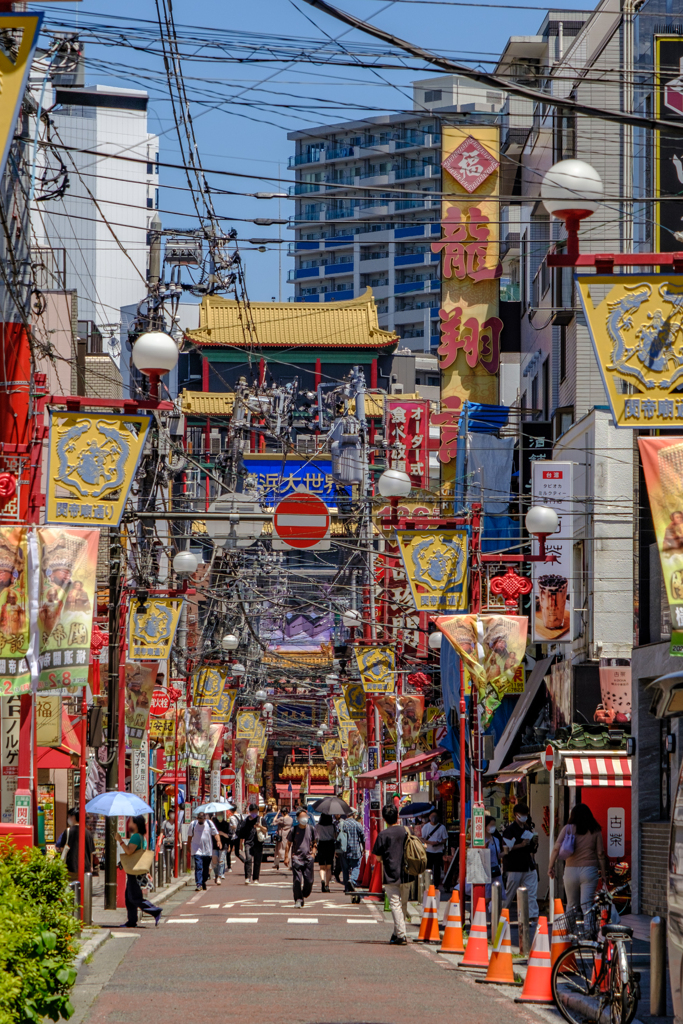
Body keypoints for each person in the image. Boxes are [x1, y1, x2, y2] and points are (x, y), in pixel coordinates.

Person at [548, 803, 608, 911]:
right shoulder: (595, 830)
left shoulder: (567, 829)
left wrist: (550, 867)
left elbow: (556, 848)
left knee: (571, 905)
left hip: (570, 871)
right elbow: (600, 854)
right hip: (589, 870)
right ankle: (588, 927)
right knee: (587, 906)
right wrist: (603, 874)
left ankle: (570, 928)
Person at [115, 815, 162, 928]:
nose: (129, 825)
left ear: (136, 824)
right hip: (136, 870)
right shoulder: (142, 837)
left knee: (134, 898)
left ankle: (155, 911)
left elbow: (129, 851)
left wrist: (120, 840)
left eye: (131, 822)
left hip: (134, 871)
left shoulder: (136, 837)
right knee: (129, 897)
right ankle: (131, 921)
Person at [373, 803, 410, 945]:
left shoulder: (383, 834)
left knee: (395, 904)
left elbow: (377, 857)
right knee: (403, 905)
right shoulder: (406, 831)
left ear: (384, 818)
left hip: (391, 873)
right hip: (408, 873)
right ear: (398, 816)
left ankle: (401, 935)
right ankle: (396, 933)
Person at [502, 802, 539, 923]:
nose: (524, 817)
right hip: (514, 865)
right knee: (510, 892)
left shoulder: (528, 828)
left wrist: (534, 842)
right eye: (522, 814)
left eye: (526, 814)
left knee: (531, 892)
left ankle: (532, 916)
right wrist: (521, 844)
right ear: (516, 815)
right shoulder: (510, 830)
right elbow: (506, 848)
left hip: (528, 864)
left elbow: (532, 849)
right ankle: (502, 913)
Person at [284, 807, 317, 908]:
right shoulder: (294, 830)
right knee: (297, 880)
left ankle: (303, 894)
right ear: (297, 818)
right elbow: (288, 844)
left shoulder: (311, 829)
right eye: (302, 816)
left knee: (309, 881)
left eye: (305, 816)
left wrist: (313, 854)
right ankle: (298, 899)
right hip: (297, 858)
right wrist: (286, 857)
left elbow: (315, 843)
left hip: (308, 858)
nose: (304, 818)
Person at [56, 807, 96, 882]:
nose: (68, 819)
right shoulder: (87, 833)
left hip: (70, 868)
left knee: (71, 890)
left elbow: (62, 849)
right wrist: (91, 866)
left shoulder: (67, 831)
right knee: (83, 891)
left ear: (73, 817)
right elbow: (91, 852)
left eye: (68, 817)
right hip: (85, 868)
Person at [188, 811, 220, 891]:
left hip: (207, 850)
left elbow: (216, 833)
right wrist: (189, 845)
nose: (201, 821)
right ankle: (198, 884)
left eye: (202, 819)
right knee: (198, 866)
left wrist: (218, 841)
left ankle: (203, 881)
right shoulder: (193, 824)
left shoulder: (209, 823)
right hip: (196, 849)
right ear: (197, 818)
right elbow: (189, 836)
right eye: (199, 819)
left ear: (205, 818)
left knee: (206, 868)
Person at [237, 803, 265, 885]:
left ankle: (256, 878)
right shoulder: (245, 821)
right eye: (253, 811)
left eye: (256, 811)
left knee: (257, 861)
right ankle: (247, 877)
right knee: (248, 859)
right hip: (248, 842)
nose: (254, 813)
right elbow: (241, 832)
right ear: (249, 811)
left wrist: (260, 826)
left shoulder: (261, 819)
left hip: (258, 843)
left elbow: (266, 830)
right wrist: (240, 843)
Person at [421, 810, 448, 889]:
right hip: (428, 850)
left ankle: (436, 884)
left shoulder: (442, 827)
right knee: (428, 868)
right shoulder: (426, 827)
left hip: (438, 851)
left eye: (435, 817)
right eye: (432, 816)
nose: (433, 818)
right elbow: (422, 838)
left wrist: (438, 842)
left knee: (437, 869)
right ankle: (428, 883)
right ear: (429, 818)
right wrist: (430, 842)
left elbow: (445, 839)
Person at [485, 815, 505, 902]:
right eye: (491, 825)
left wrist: (506, 852)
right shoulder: (480, 840)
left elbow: (498, 855)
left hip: (495, 870)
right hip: (485, 871)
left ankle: (494, 912)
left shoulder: (496, 839)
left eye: (494, 825)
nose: (493, 827)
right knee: (487, 895)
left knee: (497, 895)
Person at [315, 812, 336, 892]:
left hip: (321, 844)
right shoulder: (332, 826)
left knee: (322, 867)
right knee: (329, 867)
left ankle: (322, 880)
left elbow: (315, 836)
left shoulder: (317, 826)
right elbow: (335, 836)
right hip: (330, 845)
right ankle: (327, 885)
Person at [212, 814, 231, 884]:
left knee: (221, 861)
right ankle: (216, 874)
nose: (220, 816)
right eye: (218, 814)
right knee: (214, 861)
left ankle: (219, 876)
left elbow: (229, 836)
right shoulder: (213, 824)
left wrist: (222, 833)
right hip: (214, 845)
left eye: (221, 814)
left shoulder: (226, 824)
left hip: (223, 845)